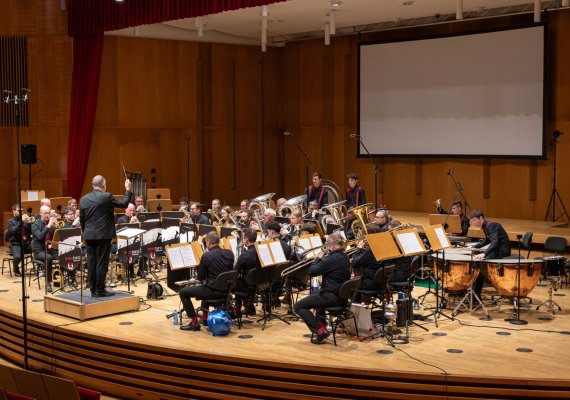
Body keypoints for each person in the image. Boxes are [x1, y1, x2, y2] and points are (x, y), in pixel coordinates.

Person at [80, 175, 132, 297]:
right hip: (103, 235)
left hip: (89, 235)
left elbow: (82, 219)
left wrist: (86, 232)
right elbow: (124, 204)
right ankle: (100, 289)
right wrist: (128, 189)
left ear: (93, 185)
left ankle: (93, 289)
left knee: (91, 262)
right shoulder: (106, 196)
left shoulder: (83, 199)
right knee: (102, 263)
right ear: (103, 185)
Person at [294, 232, 351, 344]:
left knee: (298, 306)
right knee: (316, 297)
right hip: (341, 296)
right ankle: (322, 327)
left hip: (331, 296)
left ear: (331, 244)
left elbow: (312, 272)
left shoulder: (331, 259)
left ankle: (320, 331)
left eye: (327, 243)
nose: (326, 246)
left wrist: (319, 257)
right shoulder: (344, 256)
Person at [179, 232, 234, 331]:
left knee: (183, 292)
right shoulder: (229, 253)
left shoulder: (206, 256)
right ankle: (204, 318)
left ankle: (194, 323)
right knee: (206, 285)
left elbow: (200, 278)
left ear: (208, 242)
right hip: (227, 291)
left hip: (213, 292)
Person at [469, 209, 511, 298]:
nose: (473, 223)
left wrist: (484, 254)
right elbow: (487, 240)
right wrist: (474, 247)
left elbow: (495, 242)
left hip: (502, 251)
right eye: (472, 221)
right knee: (479, 263)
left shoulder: (491, 225)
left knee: (480, 265)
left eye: (474, 220)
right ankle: (475, 294)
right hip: (498, 250)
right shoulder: (486, 226)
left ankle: (476, 295)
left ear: (480, 218)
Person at [234, 228, 261, 315]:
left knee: (235, 282)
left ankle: (237, 309)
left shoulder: (244, 255)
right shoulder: (261, 251)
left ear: (246, 239)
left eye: (243, 238)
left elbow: (235, 272)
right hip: (259, 283)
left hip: (247, 285)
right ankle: (249, 307)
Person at [31, 205, 59, 292]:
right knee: (49, 258)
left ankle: (62, 279)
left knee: (63, 255)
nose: (47, 215)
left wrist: (56, 227)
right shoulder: (35, 225)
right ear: (40, 213)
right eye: (45, 213)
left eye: (48, 213)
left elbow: (56, 236)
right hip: (39, 251)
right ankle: (48, 283)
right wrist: (49, 226)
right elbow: (40, 237)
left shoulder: (50, 223)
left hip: (50, 249)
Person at [7, 203, 32, 277]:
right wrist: (21, 221)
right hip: (16, 244)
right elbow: (14, 231)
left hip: (26, 243)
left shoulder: (24, 220)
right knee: (17, 257)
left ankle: (40, 269)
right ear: (13, 211)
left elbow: (31, 231)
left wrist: (30, 223)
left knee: (39, 248)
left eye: (22, 211)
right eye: (19, 211)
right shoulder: (10, 222)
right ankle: (16, 268)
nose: (22, 212)